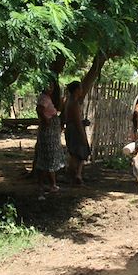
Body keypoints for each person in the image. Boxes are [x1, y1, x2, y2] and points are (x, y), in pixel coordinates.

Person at [62, 55, 104, 185]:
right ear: (76, 91)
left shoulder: (69, 102)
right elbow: (75, 121)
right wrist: (82, 134)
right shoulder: (73, 103)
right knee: (78, 153)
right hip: (75, 130)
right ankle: (75, 175)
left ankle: (77, 175)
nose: (81, 90)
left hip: (72, 128)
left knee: (76, 153)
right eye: (80, 88)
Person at [34, 79, 66, 199]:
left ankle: (51, 185)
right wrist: (46, 121)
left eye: (52, 86)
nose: (50, 88)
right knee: (47, 158)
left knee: (50, 158)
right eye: (49, 86)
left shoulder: (48, 98)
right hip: (48, 134)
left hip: (52, 133)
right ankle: (44, 186)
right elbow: (40, 110)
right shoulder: (43, 98)